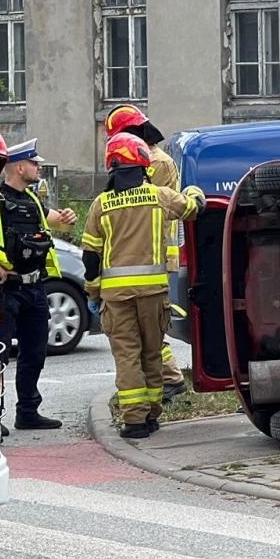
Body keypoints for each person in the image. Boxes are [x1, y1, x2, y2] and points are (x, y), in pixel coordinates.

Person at [81, 132, 205, 439]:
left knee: (127, 357)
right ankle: (151, 415)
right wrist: (194, 191)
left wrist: (93, 293)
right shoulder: (159, 196)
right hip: (153, 295)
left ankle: (134, 421)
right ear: (143, 165)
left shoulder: (101, 205)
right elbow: (193, 209)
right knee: (152, 354)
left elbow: (90, 257)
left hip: (116, 298)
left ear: (111, 166)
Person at [103, 104, 189, 400]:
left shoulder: (156, 162)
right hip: (142, 254)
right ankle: (161, 382)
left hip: (153, 254)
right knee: (145, 330)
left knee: (150, 331)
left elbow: (150, 204)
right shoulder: (148, 158)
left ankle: (170, 379)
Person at [0, 137, 78, 430]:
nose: (38, 167)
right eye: (33, 163)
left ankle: (27, 412)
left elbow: (56, 221)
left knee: (35, 353)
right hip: (7, 290)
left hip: (35, 288)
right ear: (18, 167)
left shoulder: (33, 200)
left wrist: (67, 217)